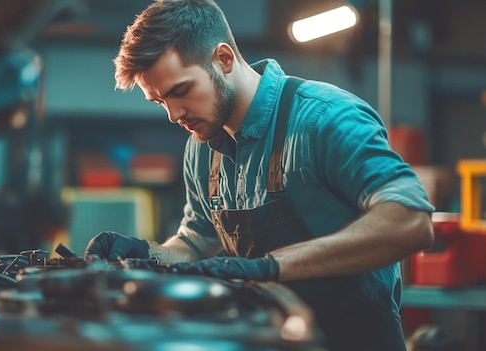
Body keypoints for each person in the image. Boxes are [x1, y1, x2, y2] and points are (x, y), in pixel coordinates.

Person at [84, 1, 435, 350]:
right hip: (266, 340)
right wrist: (143, 255)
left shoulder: (325, 119)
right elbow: (197, 242)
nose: (174, 115)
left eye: (180, 91)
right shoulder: (202, 147)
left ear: (223, 59)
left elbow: (411, 222)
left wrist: (270, 268)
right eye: (160, 101)